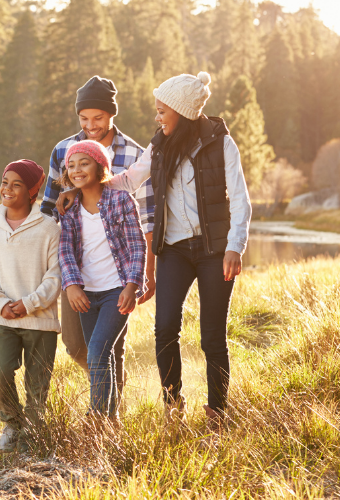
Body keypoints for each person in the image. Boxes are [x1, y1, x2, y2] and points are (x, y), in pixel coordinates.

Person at [57, 72, 252, 429]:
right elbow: (130, 178)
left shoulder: (221, 143)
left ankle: (217, 411)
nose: (157, 117)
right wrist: (83, 187)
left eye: (162, 110)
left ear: (181, 110)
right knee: (164, 329)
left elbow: (240, 200)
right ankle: (173, 402)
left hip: (215, 250)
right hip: (174, 248)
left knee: (212, 335)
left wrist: (234, 247)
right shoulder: (159, 145)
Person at [41, 75, 156, 406]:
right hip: (78, 271)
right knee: (79, 346)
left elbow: (147, 218)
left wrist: (146, 275)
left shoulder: (133, 154)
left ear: (112, 115)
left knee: (106, 346)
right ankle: (108, 399)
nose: (91, 125)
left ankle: (105, 418)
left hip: (119, 272)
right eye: (84, 118)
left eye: (98, 118)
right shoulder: (63, 150)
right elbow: (50, 209)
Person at [58, 140, 147, 420]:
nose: (76, 170)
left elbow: (137, 246)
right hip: (87, 294)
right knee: (100, 356)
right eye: (71, 165)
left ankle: (95, 419)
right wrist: (72, 285)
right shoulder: (69, 208)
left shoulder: (121, 200)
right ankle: (109, 422)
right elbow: (66, 250)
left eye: (84, 163)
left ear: (100, 167)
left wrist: (132, 286)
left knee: (98, 352)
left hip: (116, 292)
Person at [0, 159, 61, 452]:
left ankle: (34, 437)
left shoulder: (49, 228)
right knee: (0, 372)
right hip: (4, 319)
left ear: (32, 192)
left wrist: (28, 304)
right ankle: (13, 425)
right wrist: (2, 305)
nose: (7, 189)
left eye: (16, 184)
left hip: (41, 321)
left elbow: (55, 277)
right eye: (4, 182)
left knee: (38, 385)